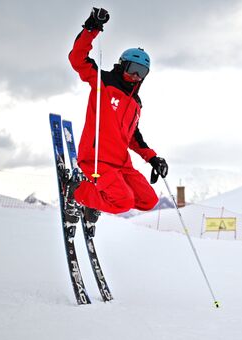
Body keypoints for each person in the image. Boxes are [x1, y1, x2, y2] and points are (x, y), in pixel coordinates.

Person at [66, 7, 168, 224]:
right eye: (132, 68)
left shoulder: (136, 103)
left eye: (142, 72)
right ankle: (76, 193)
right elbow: (77, 59)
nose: (135, 76)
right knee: (122, 202)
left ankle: (96, 198)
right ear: (122, 65)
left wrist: (153, 158)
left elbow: (133, 137)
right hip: (96, 160)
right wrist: (91, 27)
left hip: (121, 164)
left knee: (148, 200)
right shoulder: (103, 82)